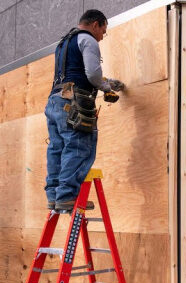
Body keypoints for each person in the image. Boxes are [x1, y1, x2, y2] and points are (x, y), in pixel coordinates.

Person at [45, 9, 124, 211]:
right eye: (103, 31)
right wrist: (105, 88)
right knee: (79, 146)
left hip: (55, 100)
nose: (102, 36)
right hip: (74, 101)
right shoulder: (87, 40)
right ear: (96, 24)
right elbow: (92, 74)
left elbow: (77, 71)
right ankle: (68, 195)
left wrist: (109, 83)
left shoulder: (63, 43)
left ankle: (54, 196)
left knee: (57, 148)